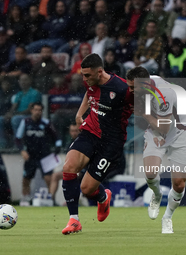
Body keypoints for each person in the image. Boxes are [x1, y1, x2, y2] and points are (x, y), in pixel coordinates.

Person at [61, 53, 133, 235]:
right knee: (69, 166)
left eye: (87, 75)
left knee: (86, 188)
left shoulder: (122, 88)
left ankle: (103, 197)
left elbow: (142, 105)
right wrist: (80, 113)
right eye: (83, 75)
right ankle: (74, 220)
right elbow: (89, 93)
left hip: (111, 143)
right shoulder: (91, 81)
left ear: (100, 72)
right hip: (90, 132)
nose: (84, 79)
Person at [126, 66, 186, 234]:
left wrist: (143, 114)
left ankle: (167, 217)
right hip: (155, 131)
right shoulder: (144, 83)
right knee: (150, 173)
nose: (130, 91)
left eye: (133, 88)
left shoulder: (164, 94)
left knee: (178, 184)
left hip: (179, 133)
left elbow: (163, 128)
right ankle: (157, 195)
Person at [16, 102, 62, 206]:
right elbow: (17, 138)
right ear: (31, 110)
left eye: (40, 110)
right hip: (30, 156)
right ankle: (26, 199)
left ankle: (51, 199)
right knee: (26, 179)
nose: (38, 112)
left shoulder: (46, 123)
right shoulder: (25, 122)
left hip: (45, 156)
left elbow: (57, 137)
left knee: (48, 178)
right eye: (36, 110)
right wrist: (22, 150)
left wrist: (57, 149)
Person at [50, 123, 80, 204]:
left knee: (72, 176)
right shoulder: (69, 144)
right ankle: (50, 200)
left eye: (76, 131)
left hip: (82, 170)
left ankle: (71, 200)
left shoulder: (82, 142)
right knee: (55, 175)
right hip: (72, 169)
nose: (74, 133)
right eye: (72, 131)